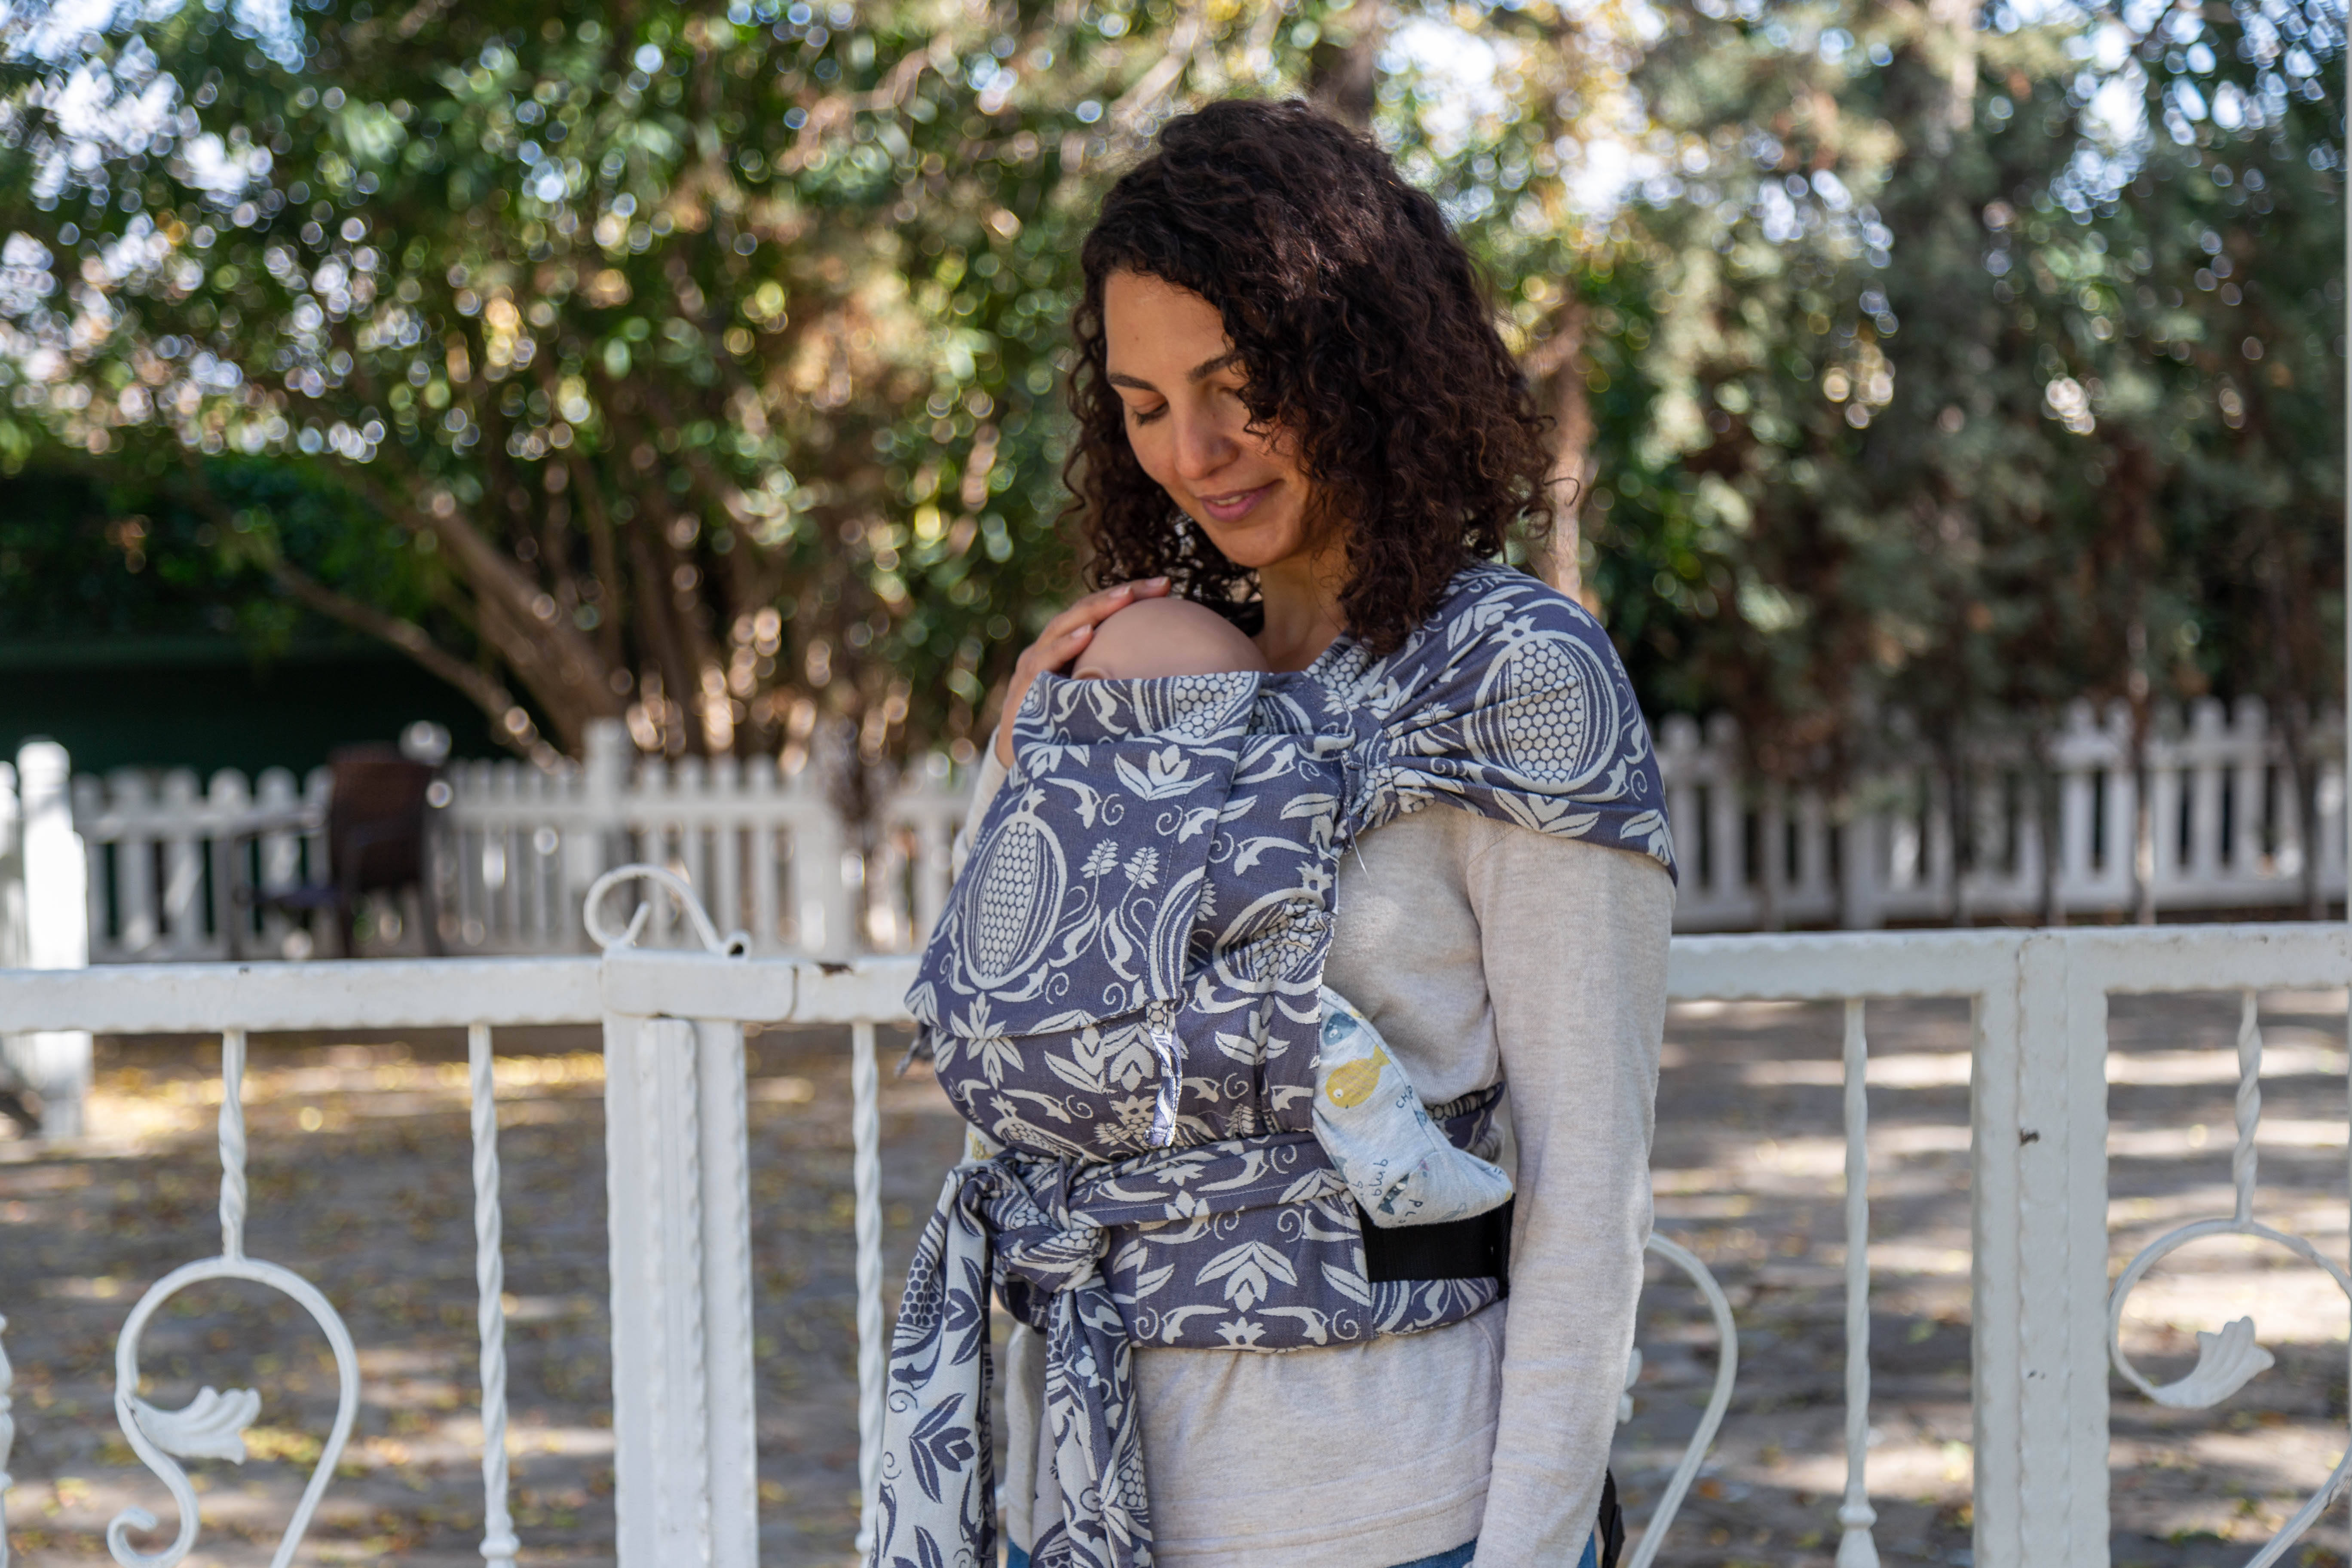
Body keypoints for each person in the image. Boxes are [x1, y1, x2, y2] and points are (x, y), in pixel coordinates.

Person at [878, 98, 1675, 1568]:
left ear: (1359, 358)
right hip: (1093, 1495)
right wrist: (1019, 755)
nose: (1195, 450)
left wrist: (1530, 1550)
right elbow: (1016, 1058)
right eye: (1142, 404)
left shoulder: (1512, 678)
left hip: (1399, 1511)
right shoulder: (1151, 671)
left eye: (1240, 386)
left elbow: (1591, 1181)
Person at [1073, 595, 1518, 1230]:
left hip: (1126, 1027)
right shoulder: (1072, 791)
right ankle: (1410, 1172)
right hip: (1150, 1016)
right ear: (1095, 697)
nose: (1236, 749)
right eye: (1208, 715)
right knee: (1321, 1037)